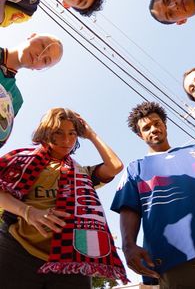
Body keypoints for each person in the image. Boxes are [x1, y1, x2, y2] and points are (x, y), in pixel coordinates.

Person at [111, 101, 195, 289]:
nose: (153, 129)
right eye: (146, 127)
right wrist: (129, 245)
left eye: (157, 123)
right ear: (140, 135)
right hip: (177, 254)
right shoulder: (135, 169)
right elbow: (129, 208)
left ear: (164, 125)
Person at [0, 107, 128, 289]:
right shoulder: (22, 159)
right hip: (17, 250)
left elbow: (115, 166)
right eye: (58, 132)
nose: (66, 140)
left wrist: (91, 134)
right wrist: (28, 212)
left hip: (70, 259)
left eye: (72, 133)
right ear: (46, 132)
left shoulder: (82, 174)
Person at [0, 33, 63, 146]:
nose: (40, 56)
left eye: (45, 61)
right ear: (32, 36)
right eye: (43, 46)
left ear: (39, 69)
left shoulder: (15, 99)